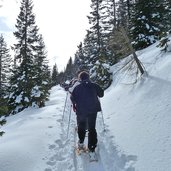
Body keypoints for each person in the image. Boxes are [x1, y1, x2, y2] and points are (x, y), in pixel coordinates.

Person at [70, 71, 104, 153]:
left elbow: (72, 98)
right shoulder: (94, 85)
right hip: (93, 110)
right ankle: (91, 149)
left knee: (81, 126)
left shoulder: (77, 88)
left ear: (80, 79)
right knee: (92, 128)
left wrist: (75, 103)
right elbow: (101, 94)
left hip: (81, 111)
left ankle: (81, 143)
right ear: (88, 78)